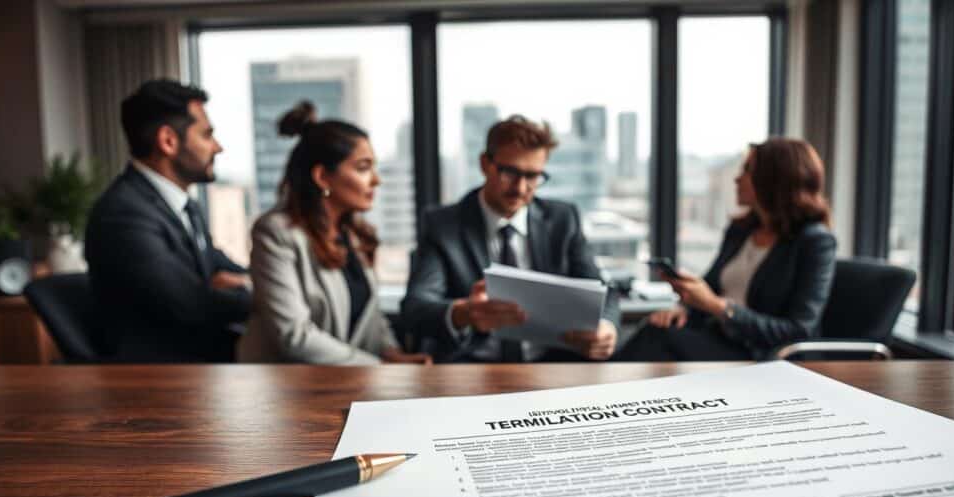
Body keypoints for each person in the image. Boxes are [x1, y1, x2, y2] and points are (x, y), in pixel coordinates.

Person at [401, 115, 619, 363]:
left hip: (552, 366)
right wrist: (464, 313)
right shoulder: (443, 225)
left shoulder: (563, 219)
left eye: (533, 176)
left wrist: (607, 326)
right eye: (510, 172)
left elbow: (603, 290)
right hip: (472, 368)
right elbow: (415, 308)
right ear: (485, 164)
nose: (521, 188)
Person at [237, 102, 431, 366]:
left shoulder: (353, 235)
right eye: (363, 168)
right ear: (323, 177)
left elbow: (371, 317)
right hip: (284, 389)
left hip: (344, 381)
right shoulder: (276, 233)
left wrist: (394, 355)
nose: (376, 180)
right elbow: (294, 336)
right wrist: (380, 368)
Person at [616, 137, 836, 361]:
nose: (737, 178)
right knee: (655, 327)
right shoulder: (740, 230)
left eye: (747, 170)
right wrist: (685, 308)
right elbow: (711, 285)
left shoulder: (815, 242)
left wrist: (718, 307)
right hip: (721, 338)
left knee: (659, 340)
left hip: (763, 354)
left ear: (774, 179)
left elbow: (798, 330)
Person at [85, 79, 251, 363]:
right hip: (162, 376)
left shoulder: (184, 205)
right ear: (168, 141)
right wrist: (271, 297)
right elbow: (191, 304)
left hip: (203, 360)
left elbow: (218, 265)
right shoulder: (123, 214)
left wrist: (253, 282)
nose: (218, 147)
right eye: (207, 135)